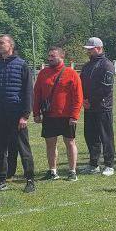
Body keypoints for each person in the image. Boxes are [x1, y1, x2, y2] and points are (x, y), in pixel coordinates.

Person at [0, 34, 36, 192]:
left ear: (10, 46)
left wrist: (25, 115)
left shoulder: (22, 65)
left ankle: (30, 180)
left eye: (2, 43)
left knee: (23, 148)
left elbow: (28, 92)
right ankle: (1, 180)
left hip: (16, 115)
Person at [33, 47, 83, 181]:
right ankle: (52, 171)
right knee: (50, 144)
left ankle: (72, 171)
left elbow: (78, 97)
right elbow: (37, 94)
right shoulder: (43, 73)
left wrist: (74, 115)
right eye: (49, 55)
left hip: (67, 116)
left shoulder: (71, 73)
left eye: (53, 56)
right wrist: (36, 113)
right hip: (49, 115)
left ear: (61, 57)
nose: (49, 58)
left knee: (70, 143)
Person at [79, 37, 116, 176]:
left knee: (106, 136)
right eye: (87, 49)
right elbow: (81, 84)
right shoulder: (87, 66)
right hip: (89, 107)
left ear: (99, 48)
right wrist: (83, 99)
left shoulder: (107, 65)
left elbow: (106, 88)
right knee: (90, 136)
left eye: (90, 49)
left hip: (103, 106)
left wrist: (91, 101)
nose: (88, 51)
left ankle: (109, 165)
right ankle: (93, 164)